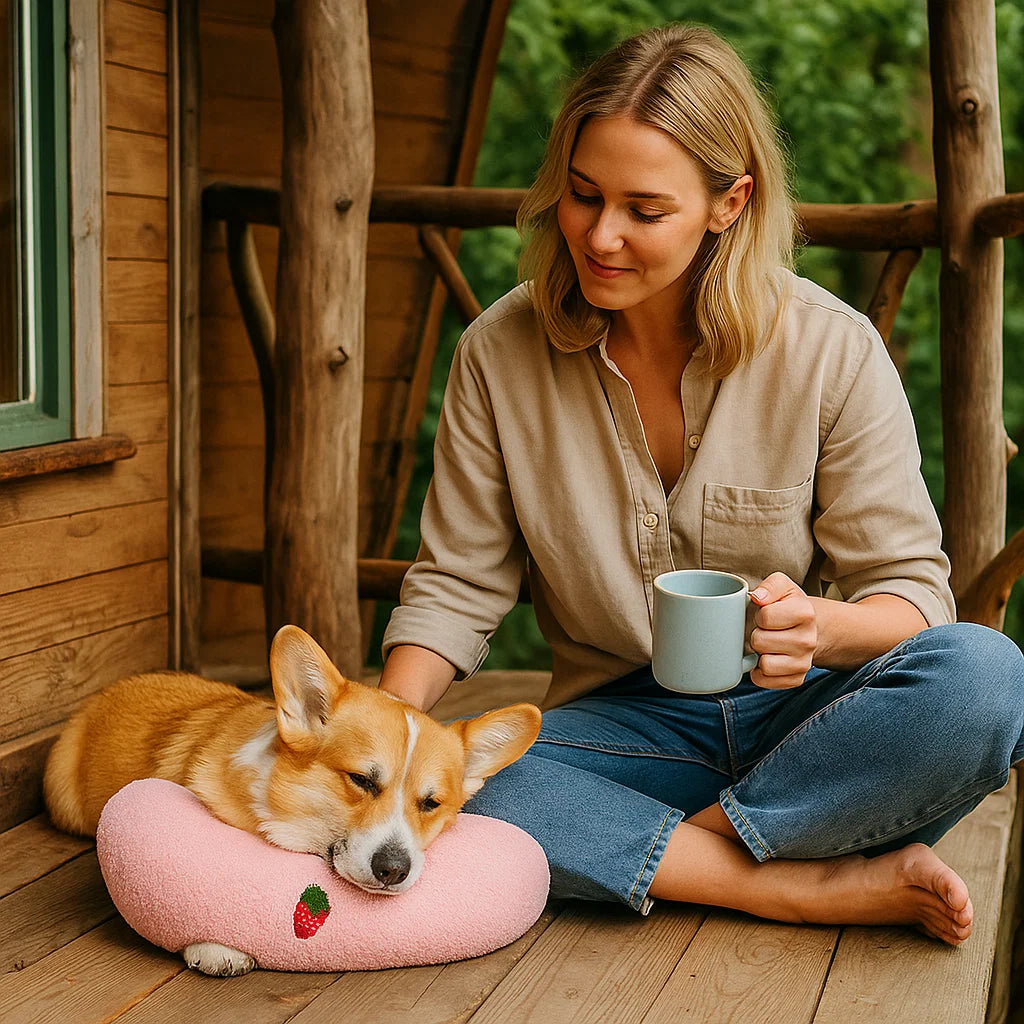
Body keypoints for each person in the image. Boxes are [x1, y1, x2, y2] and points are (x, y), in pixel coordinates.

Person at [378, 23, 1024, 946]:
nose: (600, 236)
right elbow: (456, 587)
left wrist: (826, 626)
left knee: (988, 679)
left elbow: (913, 594)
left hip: (803, 726)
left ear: (730, 203)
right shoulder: (497, 355)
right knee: (463, 792)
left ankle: (684, 852)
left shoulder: (832, 351)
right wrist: (384, 742)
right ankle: (796, 881)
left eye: (644, 211)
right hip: (621, 734)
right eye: (583, 195)